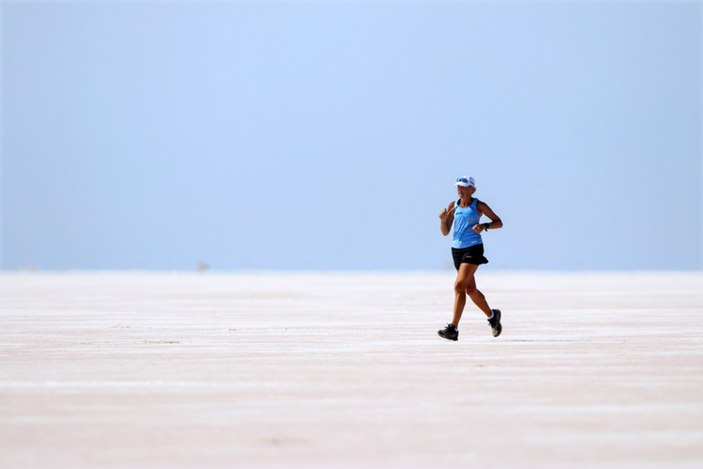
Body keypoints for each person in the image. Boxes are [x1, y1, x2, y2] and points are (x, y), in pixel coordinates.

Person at [437, 176, 503, 341]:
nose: (460, 190)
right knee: (470, 289)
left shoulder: (478, 205)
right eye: (458, 187)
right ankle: (492, 316)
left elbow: (498, 222)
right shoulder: (454, 206)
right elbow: (445, 232)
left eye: (464, 187)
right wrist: (443, 220)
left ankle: (453, 328)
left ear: (472, 189)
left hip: (473, 247)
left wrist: (484, 226)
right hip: (457, 250)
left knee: (459, 286)